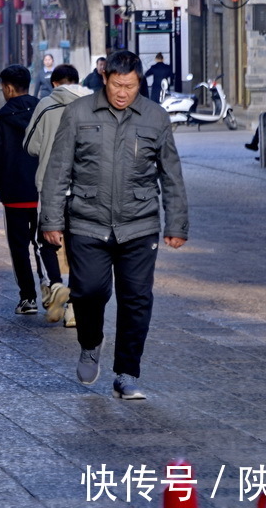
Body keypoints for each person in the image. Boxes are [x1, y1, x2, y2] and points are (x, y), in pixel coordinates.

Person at [40, 50, 189, 400]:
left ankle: (126, 373)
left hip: (139, 225)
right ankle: (90, 343)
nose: (123, 93)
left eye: (131, 86)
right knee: (88, 291)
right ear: (104, 79)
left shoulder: (156, 118)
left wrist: (177, 222)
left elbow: (171, 175)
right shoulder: (78, 113)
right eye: (117, 85)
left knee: (136, 299)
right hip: (88, 222)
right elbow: (58, 168)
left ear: (140, 83)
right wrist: (51, 218)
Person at [23, 64, 91, 326]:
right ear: (77, 81)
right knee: (79, 245)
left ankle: (54, 284)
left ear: (54, 84)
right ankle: (74, 308)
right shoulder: (91, 104)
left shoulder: (46, 105)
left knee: (45, 241)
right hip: (85, 187)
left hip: (52, 185)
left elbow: (30, 145)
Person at [0, 65, 44, 316]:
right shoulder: (44, 111)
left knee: (19, 248)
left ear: (7, 87)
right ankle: (51, 288)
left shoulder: (0, 119)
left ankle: (28, 298)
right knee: (45, 245)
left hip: (15, 193)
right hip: (43, 192)